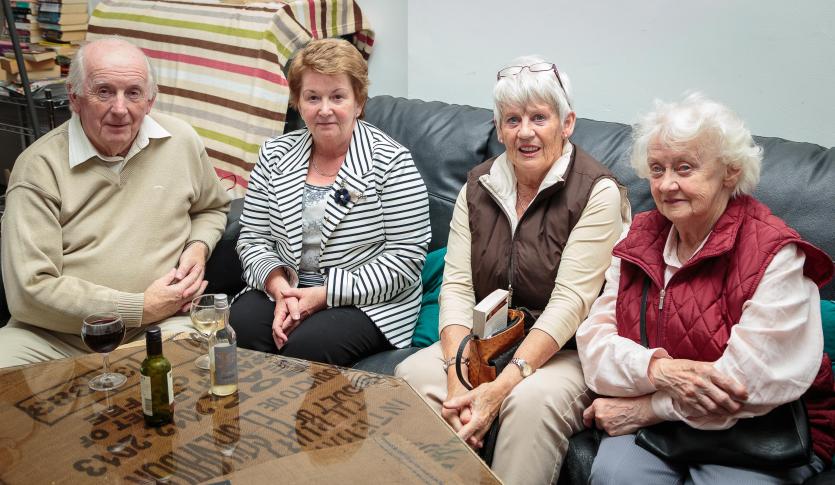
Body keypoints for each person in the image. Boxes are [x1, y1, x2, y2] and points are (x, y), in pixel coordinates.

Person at [576, 93, 835, 484]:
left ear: (730, 172)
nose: (667, 185)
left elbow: (743, 385)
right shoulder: (638, 238)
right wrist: (660, 370)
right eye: (657, 169)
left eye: (685, 168)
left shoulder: (775, 254)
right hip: (666, 422)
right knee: (615, 476)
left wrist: (648, 408)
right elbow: (594, 345)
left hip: (760, 429)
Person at [395, 56, 630, 485]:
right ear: (498, 127)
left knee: (529, 403)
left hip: (565, 351)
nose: (525, 132)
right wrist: (455, 377)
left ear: (567, 123)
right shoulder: (478, 186)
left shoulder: (597, 192)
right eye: (512, 119)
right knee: (411, 375)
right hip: (488, 342)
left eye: (539, 117)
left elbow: (570, 304)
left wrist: (497, 390)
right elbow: (458, 287)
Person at [0, 38, 231, 368]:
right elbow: (29, 292)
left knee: (212, 360)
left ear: (150, 100)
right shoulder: (38, 167)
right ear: (75, 98)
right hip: (54, 337)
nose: (120, 109)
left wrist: (197, 246)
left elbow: (212, 207)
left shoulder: (180, 140)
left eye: (133, 93)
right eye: (104, 91)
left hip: (160, 326)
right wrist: (137, 307)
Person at [229, 38, 430, 367]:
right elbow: (253, 237)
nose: (324, 109)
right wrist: (279, 287)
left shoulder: (391, 163)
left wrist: (323, 296)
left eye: (337, 96)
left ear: (359, 102)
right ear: (297, 101)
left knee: (306, 347)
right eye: (312, 97)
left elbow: (405, 261)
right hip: (287, 286)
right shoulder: (274, 155)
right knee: (241, 327)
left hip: (364, 299)